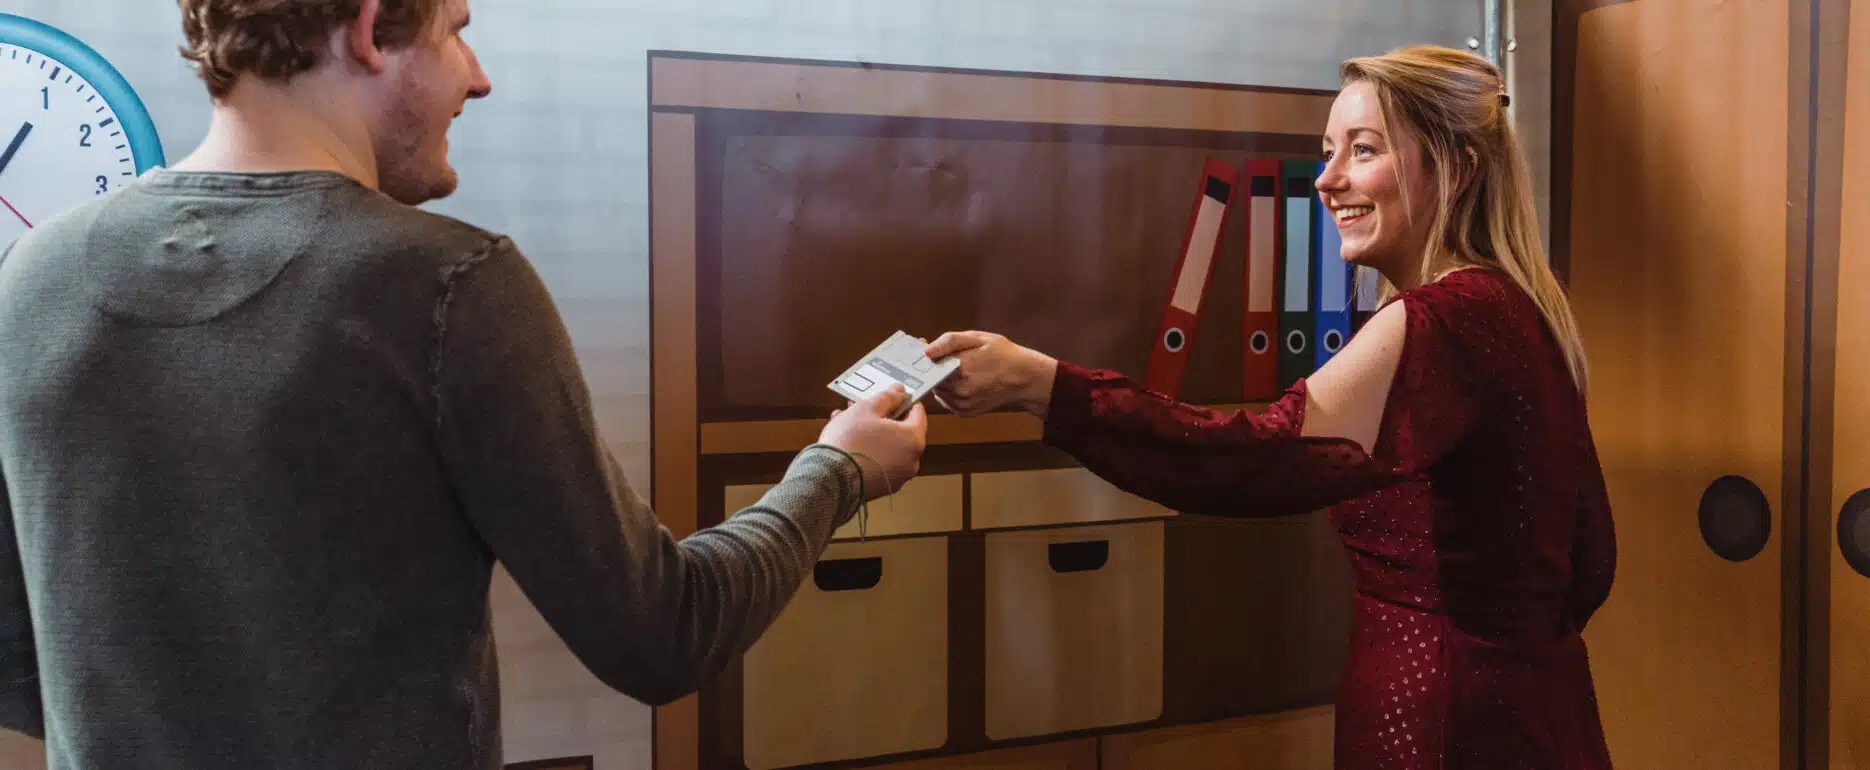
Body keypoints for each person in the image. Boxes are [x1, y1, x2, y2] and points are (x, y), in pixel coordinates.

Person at [0, 0, 928, 767]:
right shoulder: (447, 287)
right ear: (371, 31)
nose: (477, 78)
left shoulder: (30, 280)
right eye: (456, 32)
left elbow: (13, 659)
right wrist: (839, 469)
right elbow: (663, 634)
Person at [924, 45, 1617, 770]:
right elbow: (1591, 557)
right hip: (1545, 711)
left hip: (1439, 721)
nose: (1327, 179)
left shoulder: (1441, 321)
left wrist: (1041, 385)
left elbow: (1253, 460)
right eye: (1327, 152)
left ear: (1458, 169)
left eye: (1363, 150)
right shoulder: (1528, 312)